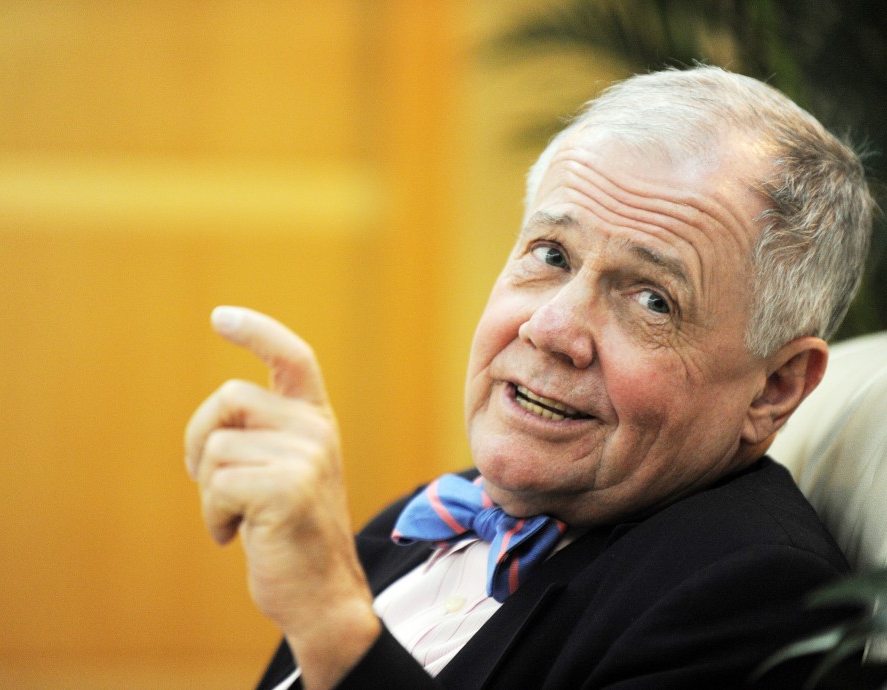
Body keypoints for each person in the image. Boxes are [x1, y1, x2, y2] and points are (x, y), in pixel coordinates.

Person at [184, 65, 874, 689]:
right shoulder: (417, 520)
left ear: (775, 387)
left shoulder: (753, 599)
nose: (551, 328)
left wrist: (332, 620)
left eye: (653, 299)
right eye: (550, 253)